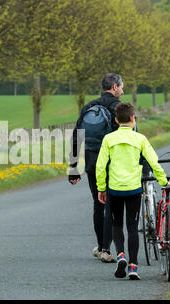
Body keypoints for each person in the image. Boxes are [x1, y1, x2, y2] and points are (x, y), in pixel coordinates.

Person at [96, 102, 170, 280]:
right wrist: (164, 181)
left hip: (114, 189)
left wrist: (101, 188)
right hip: (134, 189)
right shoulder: (140, 139)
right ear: (132, 118)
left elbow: (101, 166)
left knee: (116, 224)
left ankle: (120, 255)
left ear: (116, 120)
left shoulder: (109, 139)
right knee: (132, 226)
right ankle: (133, 267)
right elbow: (153, 162)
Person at [69, 73, 124, 263]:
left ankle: (101, 245)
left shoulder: (89, 107)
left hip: (92, 162)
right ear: (115, 87)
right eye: (122, 87)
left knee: (97, 203)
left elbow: (76, 137)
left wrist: (73, 167)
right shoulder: (119, 108)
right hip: (112, 164)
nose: (123, 90)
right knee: (111, 205)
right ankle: (106, 250)